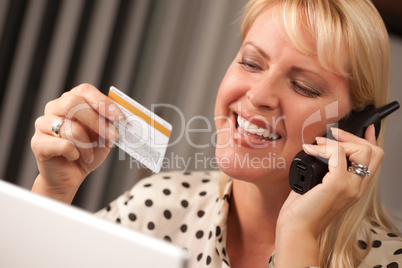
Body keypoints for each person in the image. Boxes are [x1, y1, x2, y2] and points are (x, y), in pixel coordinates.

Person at [31, 0, 402, 267]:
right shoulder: (160, 206)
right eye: (251, 62)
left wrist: (298, 234)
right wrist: (52, 195)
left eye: (303, 86)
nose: (258, 96)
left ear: (358, 127)